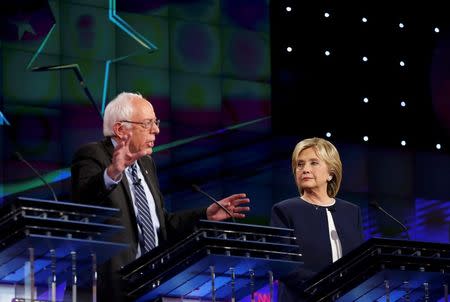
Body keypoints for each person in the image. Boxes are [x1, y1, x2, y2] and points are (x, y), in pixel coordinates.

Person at [71, 92, 250, 301]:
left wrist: (205, 215)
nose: (156, 130)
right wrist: (112, 173)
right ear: (120, 129)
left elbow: (160, 224)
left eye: (155, 122)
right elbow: (83, 203)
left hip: (151, 285)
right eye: (147, 123)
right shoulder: (93, 155)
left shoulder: (146, 164)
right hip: (110, 288)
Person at [270, 137, 364, 302]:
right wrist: (326, 285)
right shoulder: (284, 210)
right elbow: (283, 265)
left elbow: (358, 262)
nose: (305, 169)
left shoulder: (351, 211)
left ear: (330, 173)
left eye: (314, 163)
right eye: (300, 164)